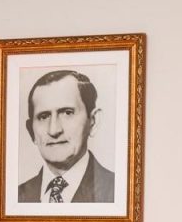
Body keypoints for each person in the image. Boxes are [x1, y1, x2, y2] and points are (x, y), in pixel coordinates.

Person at [18, 69, 115, 204]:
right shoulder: (15, 197)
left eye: (67, 113)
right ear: (31, 131)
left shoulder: (117, 192)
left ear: (93, 122)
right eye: (43, 116)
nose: (54, 130)